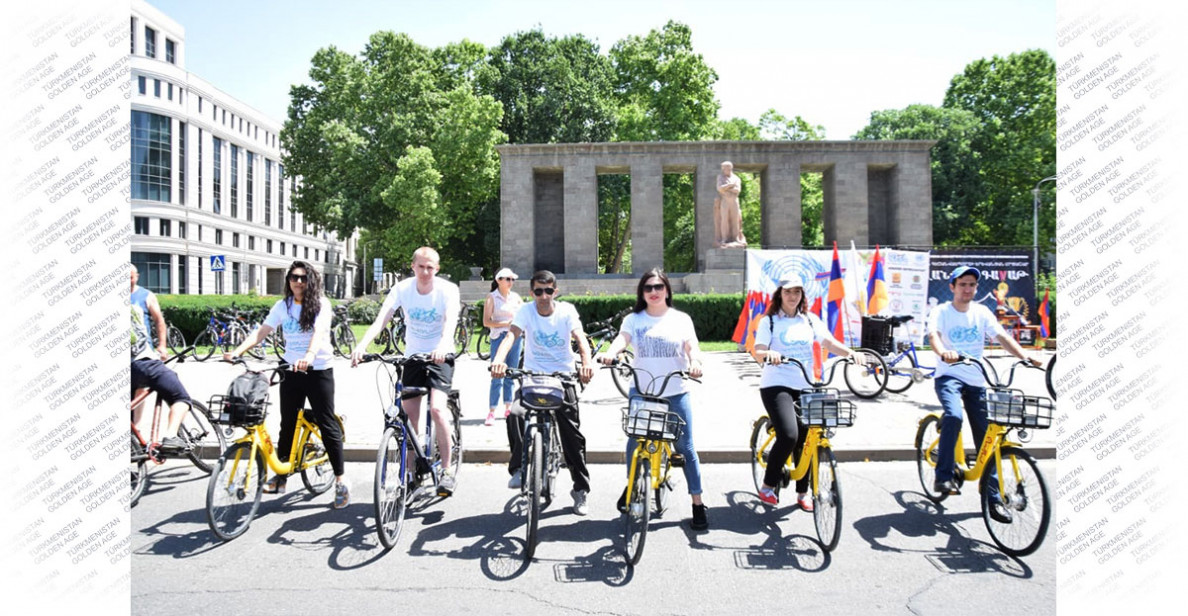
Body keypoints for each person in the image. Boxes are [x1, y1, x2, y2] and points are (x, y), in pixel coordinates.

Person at [225, 261, 350, 508]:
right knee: (288, 422)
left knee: (326, 423)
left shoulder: (321, 305)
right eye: (294, 277)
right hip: (290, 369)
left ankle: (340, 481)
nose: (298, 282)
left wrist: (310, 356)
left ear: (311, 281)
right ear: (288, 280)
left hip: (318, 369)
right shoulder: (283, 306)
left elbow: (319, 332)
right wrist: (237, 352)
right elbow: (262, 332)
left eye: (303, 278)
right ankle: (282, 475)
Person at [927, 266, 1043, 523]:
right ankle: (944, 475)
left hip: (977, 380)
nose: (967, 289)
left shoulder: (981, 312)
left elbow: (1001, 336)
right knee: (954, 417)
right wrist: (943, 352)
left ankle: (993, 499)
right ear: (952, 287)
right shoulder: (942, 312)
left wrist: (1025, 356)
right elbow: (933, 336)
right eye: (963, 284)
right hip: (949, 377)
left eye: (972, 285)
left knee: (988, 438)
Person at [596, 268, 709, 530]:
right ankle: (632, 485)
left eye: (659, 287)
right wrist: (611, 354)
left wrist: (695, 362)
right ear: (642, 293)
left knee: (686, 448)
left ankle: (698, 503)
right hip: (643, 391)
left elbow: (692, 346)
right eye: (648, 288)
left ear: (667, 290)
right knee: (635, 441)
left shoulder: (681, 319)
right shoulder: (634, 320)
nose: (654, 292)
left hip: (675, 391)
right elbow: (621, 341)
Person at [351, 247, 461, 496]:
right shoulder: (402, 289)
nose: (425, 272)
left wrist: (443, 345)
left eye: (430, 267)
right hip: (412, 357)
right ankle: (410, 474)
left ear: (437, 269)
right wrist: (361, 345)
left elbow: (450, 321)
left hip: (439, 356)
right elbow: (382, 319)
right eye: (421, 266)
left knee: (436, 408)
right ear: (413, 267)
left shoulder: (447, 290)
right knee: (409, 417)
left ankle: (446, 470)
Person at [751, 273, 866, 509]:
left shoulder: (810, 320)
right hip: (777, 384)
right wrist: (769, 354)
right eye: (787, 292)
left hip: (806, 384)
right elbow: (758, 349)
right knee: (790, 435)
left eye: (797, 292)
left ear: (802, 295)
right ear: (779, 295)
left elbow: (829, 342)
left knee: (809, 438)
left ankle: (803, 492)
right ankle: (768, 484)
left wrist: (851, 353)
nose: (792, 296)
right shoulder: (770, 321)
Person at [491, 270, 595, 515]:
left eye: (548, 290)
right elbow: (511, 336)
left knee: (573, 437)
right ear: (532, 293)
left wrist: (587, 363)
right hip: (533, 377)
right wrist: (498, 360)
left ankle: (580, 489)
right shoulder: (526, 311)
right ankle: (518, 468)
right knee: (514, 414)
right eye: (538, 291)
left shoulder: (567, 311)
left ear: (555, 292)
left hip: (563, 378)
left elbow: (580, 338)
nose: (544, 296)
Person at [130, 265, 192, 450]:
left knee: (138, 396)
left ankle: (135, 444)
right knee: (181, 397)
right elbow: (159, 321)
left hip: (138, 362)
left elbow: (159, 321)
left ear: (137, 276)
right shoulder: (144, 296)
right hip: (144, 362)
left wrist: (162, 345)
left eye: (130, 277)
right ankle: (171, 437)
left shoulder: (145, 296)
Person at [483, 268, 523, 427]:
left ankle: (508, 407)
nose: (510, 282)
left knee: (511, 374)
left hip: (515, 337)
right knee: (497, 374)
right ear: (499, 280)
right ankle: (492, 411)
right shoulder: (492, 297)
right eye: (507, 279)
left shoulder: (516, 298)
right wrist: (506, 324)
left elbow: (523, 316)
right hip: (499, 337)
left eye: (512, 279)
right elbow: (486, 322)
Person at [715, 161, 746, 248]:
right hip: (724, 201)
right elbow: (719, 188)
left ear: (730, 168)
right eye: (724, 169)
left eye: (727, 168)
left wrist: (726, 188)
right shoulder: (720, 177)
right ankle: (724, 238)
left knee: (735, 220)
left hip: (734, 201)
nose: (725, 170)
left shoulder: (736, 178)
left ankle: (736, 238)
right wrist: (730, 185)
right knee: (724, 220)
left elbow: (738, 190)